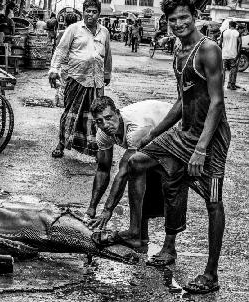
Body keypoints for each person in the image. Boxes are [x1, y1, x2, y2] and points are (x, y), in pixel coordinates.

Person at [125, 0, 231, 294]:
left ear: (194, 17)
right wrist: (154, 133)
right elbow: (182, 102)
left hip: (210, 140)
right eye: (173, 19)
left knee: (213, 201)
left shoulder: (208, 49)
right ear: (167, 22)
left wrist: (200, 149)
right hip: (182, 134)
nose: (179, 23)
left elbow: (217, 102)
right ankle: (143, 236)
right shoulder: (178, 50)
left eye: (184, 17)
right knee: (138, 163)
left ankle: (211, 274)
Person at [84, 98, 180, 252]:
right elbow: (102, 169)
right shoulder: (102, 133)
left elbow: (124, 171)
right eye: (99, 121)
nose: (105, 125)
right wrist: (91, 208)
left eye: (108, 118)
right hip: (154, 139)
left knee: (137, 169)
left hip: (176, 131)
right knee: (139, 171)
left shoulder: (135, 129)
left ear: (117, 113)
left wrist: (107, 210)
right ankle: (140, 236)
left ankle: (137, 234)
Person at [49, 0, 112, 158]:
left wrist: (107, 74)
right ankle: (61, 144)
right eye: (88, 11)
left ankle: (98, 150)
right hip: (76, 78)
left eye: (94, 12)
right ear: (83, 12)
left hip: (96, 81)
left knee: (97, 115)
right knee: (70, 113)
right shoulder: (74, 29)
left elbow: (108, 55)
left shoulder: (104, 32)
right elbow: (61, 50)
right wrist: (54, 70)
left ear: (99, 13)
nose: (90, 14)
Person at [53, 13, 78, 107]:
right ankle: (71, 103)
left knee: (63, 84)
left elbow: (58, 48)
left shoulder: (62, 33)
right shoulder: (79, 33)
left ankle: (61, 102)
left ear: (65, 22)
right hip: (76, 63)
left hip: (64, 63)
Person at [220, 21, 241, 90]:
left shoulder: (224, 32)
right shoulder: (237, 33)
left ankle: (221, 85)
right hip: (233, 55)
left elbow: (220, 43)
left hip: (224, 54)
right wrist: (238, 54)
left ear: (229, 25)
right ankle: (231, 85)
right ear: (235, 26)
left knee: (223, 70)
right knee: (233, 70)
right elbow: (240, 43)